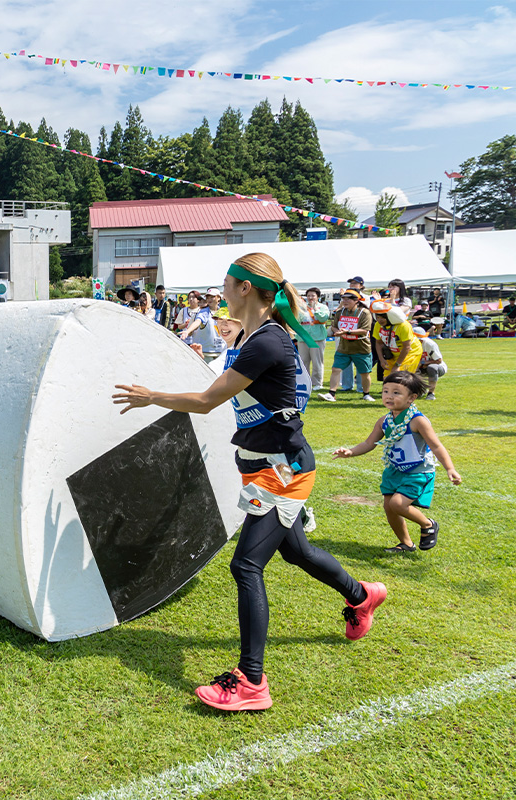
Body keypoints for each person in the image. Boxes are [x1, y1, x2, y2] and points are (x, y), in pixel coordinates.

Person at [113, 252, 386, 712]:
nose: (219, 290)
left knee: (246, 566)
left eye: (225, 282)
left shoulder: (266, 342)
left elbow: (205, 402)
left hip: (282, 470)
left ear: (244, 287)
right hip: (267, 465)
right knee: (296, 551)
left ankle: (251, 682)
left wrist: (150, 396)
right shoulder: (256, 336)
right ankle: (362, 596)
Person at [333, 371, 461, 553]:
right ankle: (406, 544)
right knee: (389, 507)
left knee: (398, 504)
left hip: (417, 472)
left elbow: (437, 446)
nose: (389, 396)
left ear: (412, 397)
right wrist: (350, 452)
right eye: (385, 391)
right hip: (394, 470)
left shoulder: (418, 421)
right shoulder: (384, 420)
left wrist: (450, 468)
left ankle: (428, 524)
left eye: (396, 392)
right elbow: (370, 443)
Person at [320, 289, 374, 403]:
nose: (345, 301)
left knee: (364, 373)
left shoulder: (364, 312)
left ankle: (366, 394)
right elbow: (334, 326)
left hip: (361, 348)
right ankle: (331, 393)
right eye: (343, 298)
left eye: (348, 299)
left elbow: (364, 330)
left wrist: (346, 332)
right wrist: (338, 331)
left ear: (356, 301)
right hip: (343, 347)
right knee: (335, 369)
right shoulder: (340, 312)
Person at [370, 299, 421, 376]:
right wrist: (381, 359)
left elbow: (406, 346)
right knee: (387, 378)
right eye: (378, 317)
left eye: (383, 317)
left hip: (410, 353)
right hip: (393, 354)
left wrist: (397, 365)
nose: (380, 320)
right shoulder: (378, 325)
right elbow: (378, 342)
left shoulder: (404, 326)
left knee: (401, 377)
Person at [178, 287, 227, 362]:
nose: (209, 299)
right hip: (205, 353)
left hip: (221, 351)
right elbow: (198, 321)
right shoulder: (203, 313)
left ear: (219, 298)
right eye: (208, 297)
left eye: (212, 297)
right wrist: (187, 332)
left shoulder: (223, 312)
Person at [296, 288, 330, 392]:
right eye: (309, 295)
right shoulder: (302, 307)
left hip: (317, 338)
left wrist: (316, 309)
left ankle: (317, 383)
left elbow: (323, 318)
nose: (310, 298)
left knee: (317, 362)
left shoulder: (323, 307)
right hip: (303, 338)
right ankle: (305, 382)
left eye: (313, 296)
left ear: (318, 297)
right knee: (303, 361)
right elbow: (297, 319)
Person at [412, 326, 446, 399]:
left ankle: (431, 393)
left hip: (438, 367)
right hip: (419, 367)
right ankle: (420, 390)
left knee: (432, 367)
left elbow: (439, 360)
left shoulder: (430, 344)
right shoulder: (409, 344)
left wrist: (424, 363)